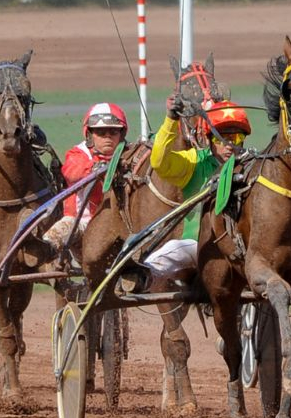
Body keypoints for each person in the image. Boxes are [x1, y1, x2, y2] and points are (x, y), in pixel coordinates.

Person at [136, 96, 249, 288]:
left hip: (241, 250)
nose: (229, 145)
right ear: (209, 139)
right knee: (167, 253)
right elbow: (159, 162)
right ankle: (141, 277)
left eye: (236, 138)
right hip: (196, 246)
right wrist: (171, 120)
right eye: (221, 138)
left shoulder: (250, 167)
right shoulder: (194, 162)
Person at [42, 102, 128, 248]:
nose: (107, 137)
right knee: (51, 238)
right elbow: (71, 174)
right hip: (80, 223)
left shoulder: (130, 154)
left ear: (121, 134)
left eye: (113, 131)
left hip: (120, 224)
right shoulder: (78, 154)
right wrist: (97, 169)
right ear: (89, 134)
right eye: (101, 132)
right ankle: (48, 259)